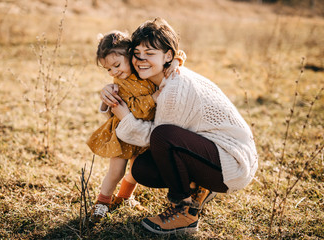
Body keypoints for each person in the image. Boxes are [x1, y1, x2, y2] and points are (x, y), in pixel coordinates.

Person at [101, 18, 258, 234]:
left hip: (232, 163)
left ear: (168, 56)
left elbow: (156, 139)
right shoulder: (161, 76)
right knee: (142, 168)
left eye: (150, 53)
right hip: (211, 154)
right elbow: (130, 88)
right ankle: (199, 188)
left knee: (163, 136)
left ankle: (185, 212)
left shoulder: (174, 88)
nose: (141, 60)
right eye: (137, 53)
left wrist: (125, 116)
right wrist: (109, 91)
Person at [86, 30, 186, 222]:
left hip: (144, 131)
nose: (114, 72)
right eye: (108, 69)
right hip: (124, 133)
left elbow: (177, 53)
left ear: (131, 56)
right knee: (116, 171)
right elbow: (132, 110)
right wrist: (153, 98)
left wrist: (175, 62)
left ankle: (124, 197)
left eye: (116, 65)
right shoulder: (121, 83)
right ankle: (102, 202)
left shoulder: (144, 70)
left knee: (134, 171)